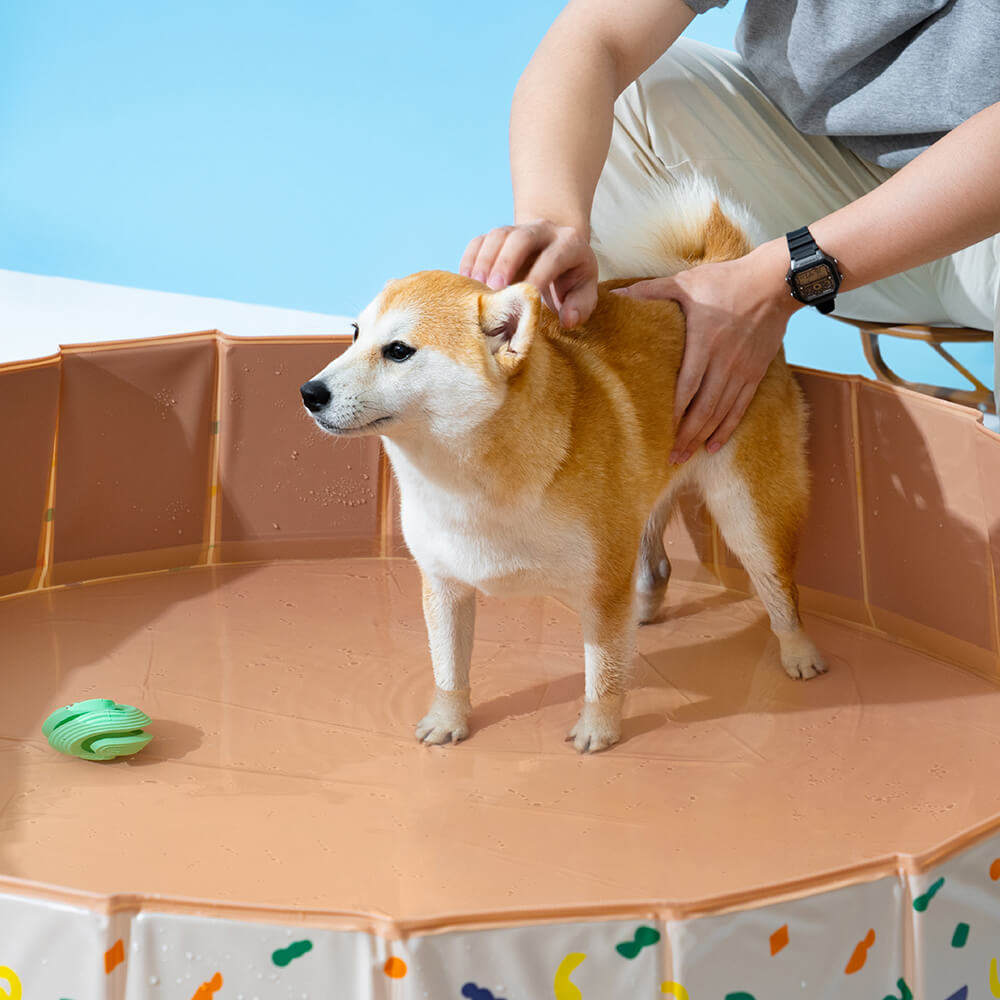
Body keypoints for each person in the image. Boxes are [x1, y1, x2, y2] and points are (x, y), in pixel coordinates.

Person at [460, 0, 1000, 463]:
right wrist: (553, 219)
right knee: (628, 101)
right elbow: (595, 36)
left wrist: (782, 277)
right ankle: (646, 465)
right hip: (844, 183)